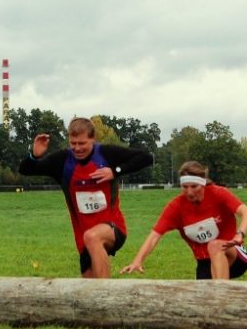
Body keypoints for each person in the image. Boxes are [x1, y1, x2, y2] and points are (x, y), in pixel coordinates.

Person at [18, 117, 153, 278]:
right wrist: (34, 155)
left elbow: (146, 157)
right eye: (73, 143)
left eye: (82, 143)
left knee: (93, 237)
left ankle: (105, 295)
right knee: (88, 289)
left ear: (93, 139)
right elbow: (25, 170)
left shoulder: (106, 154)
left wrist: (114, 171)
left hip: (113, 228)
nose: (77, 148)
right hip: (83, 240)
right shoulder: (62, 161)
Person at [120, 161, 247, 280]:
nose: (189, 192)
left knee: (214, 245)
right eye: (185, 187)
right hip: (204, 261)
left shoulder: (218, 194)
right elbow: (155, 235)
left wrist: (239, 234)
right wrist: (138, 261)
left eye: (194, 186)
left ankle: (220, 298)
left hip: (233, 254)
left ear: (203, 184)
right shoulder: (176, 207)